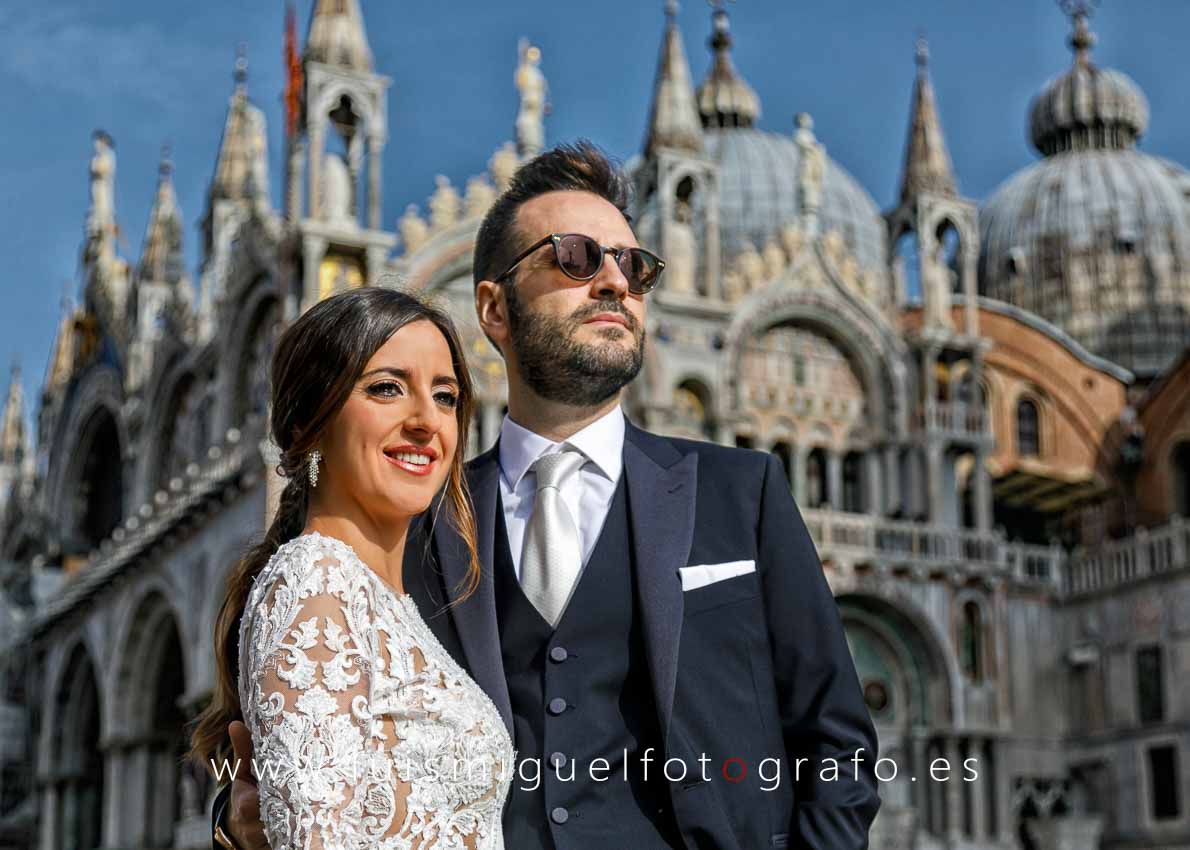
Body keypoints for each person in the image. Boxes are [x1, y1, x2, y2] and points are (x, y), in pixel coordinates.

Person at [209, 142, 880, 849]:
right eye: (577, 258)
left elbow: (837, 742)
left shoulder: (743, 493)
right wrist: (238, 819)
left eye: (635, 265)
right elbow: (295, 727)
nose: (616, 282)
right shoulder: (413, 523)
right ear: (493, 308)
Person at [189, 288, 514, 848]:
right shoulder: (315, 580)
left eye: (445, 396)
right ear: (309, 426)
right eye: (387, 388)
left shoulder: (390, 603)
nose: (425, 420)